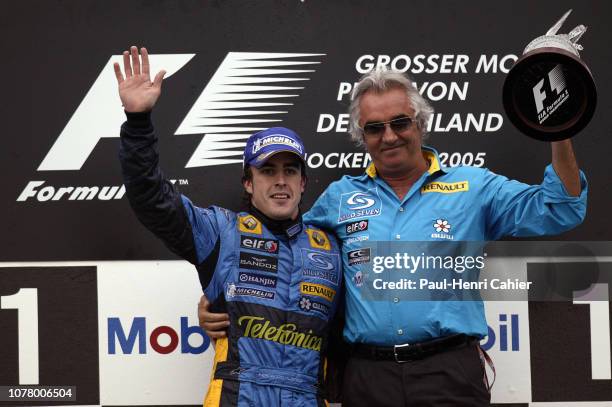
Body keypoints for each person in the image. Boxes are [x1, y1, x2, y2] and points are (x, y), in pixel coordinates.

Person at [200, 68, 588, 406]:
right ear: (361, 136)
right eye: (374, 128)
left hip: (449, 372)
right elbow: (287, 248)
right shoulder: (339, 197)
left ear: (420, 123)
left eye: (400, 123)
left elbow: (562, 207)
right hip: (368, 377)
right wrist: (221, 297)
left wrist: (559, 128)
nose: (389, 137)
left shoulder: (473, 187)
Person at [114, 46, 343, 407]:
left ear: (303, 183)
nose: (280, 181)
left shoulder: (332, 246)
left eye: (290, 171)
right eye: (267, 171)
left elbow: (364, 325)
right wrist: (138, 123)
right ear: (248, 184)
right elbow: (152, 201)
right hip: (237, 396)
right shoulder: (222, 232)